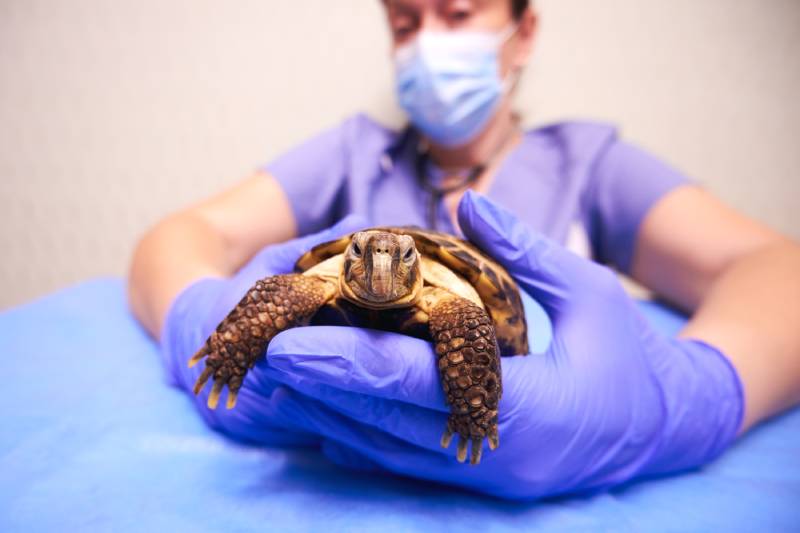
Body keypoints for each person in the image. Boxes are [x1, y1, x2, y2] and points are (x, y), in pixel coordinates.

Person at [128, 0, 800, 499]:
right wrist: (205, 320)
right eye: (404, 23)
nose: (428, 44)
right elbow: (180, 236)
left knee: (453, 320)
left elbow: (780, 267)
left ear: (523, 31)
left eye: (455, 13)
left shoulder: (589, 166)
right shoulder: (353, 156)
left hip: (502, 363)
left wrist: (700, 393)